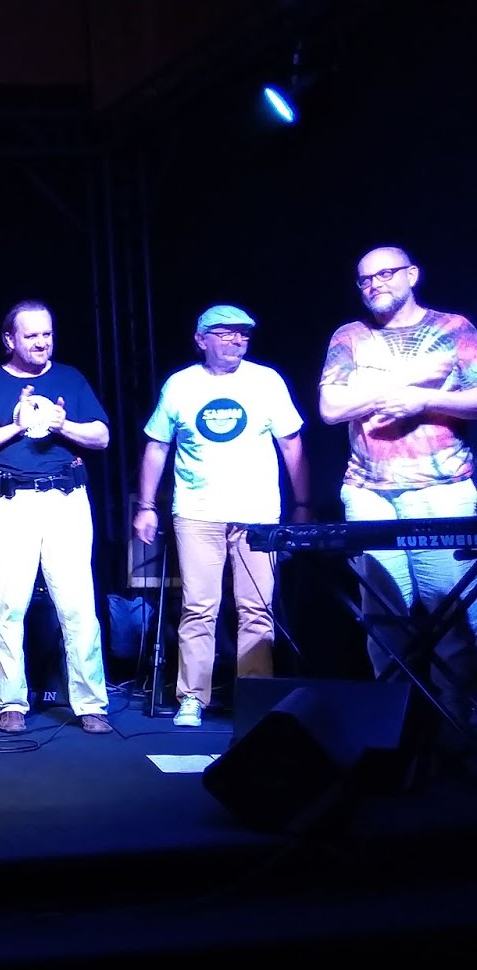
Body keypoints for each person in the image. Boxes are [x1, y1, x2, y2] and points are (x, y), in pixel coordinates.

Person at [134, 307, 309, 728]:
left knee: (257, 609)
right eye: (226, 333)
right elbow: (157, 445)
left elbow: (291, 444)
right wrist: (146, 506)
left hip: (257, 516)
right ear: (201, 339)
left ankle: (255, 698)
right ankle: (192, 697)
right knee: (198, 608)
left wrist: (303, 504)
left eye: (243, 334)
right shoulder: (180, 385)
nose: (236, 340)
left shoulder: (266, 381)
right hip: (197, 513)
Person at [319, 246, 477, 711]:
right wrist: (411, 381)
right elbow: (330, 408)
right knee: (383, 619)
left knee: (451, 614)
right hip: (368, 491)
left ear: (412, 274)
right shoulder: (350, 336)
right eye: (365, 279)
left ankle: (457, 725)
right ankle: (394, 726)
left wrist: (423, 401)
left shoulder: (452, 328)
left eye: (385, 274)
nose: (375, 285)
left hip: (441, 488)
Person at [0, 300, 114, 735]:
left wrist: (61, 424)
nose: (42, 342)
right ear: (10, 339)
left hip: (65, 500)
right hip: (8, 505)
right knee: (7, 607)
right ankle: (11, 702)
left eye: (47, 334)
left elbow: (101, 436)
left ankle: (90, 703)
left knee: (78, 606)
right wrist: (17, 425)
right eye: (31, 335)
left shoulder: (70, 378)